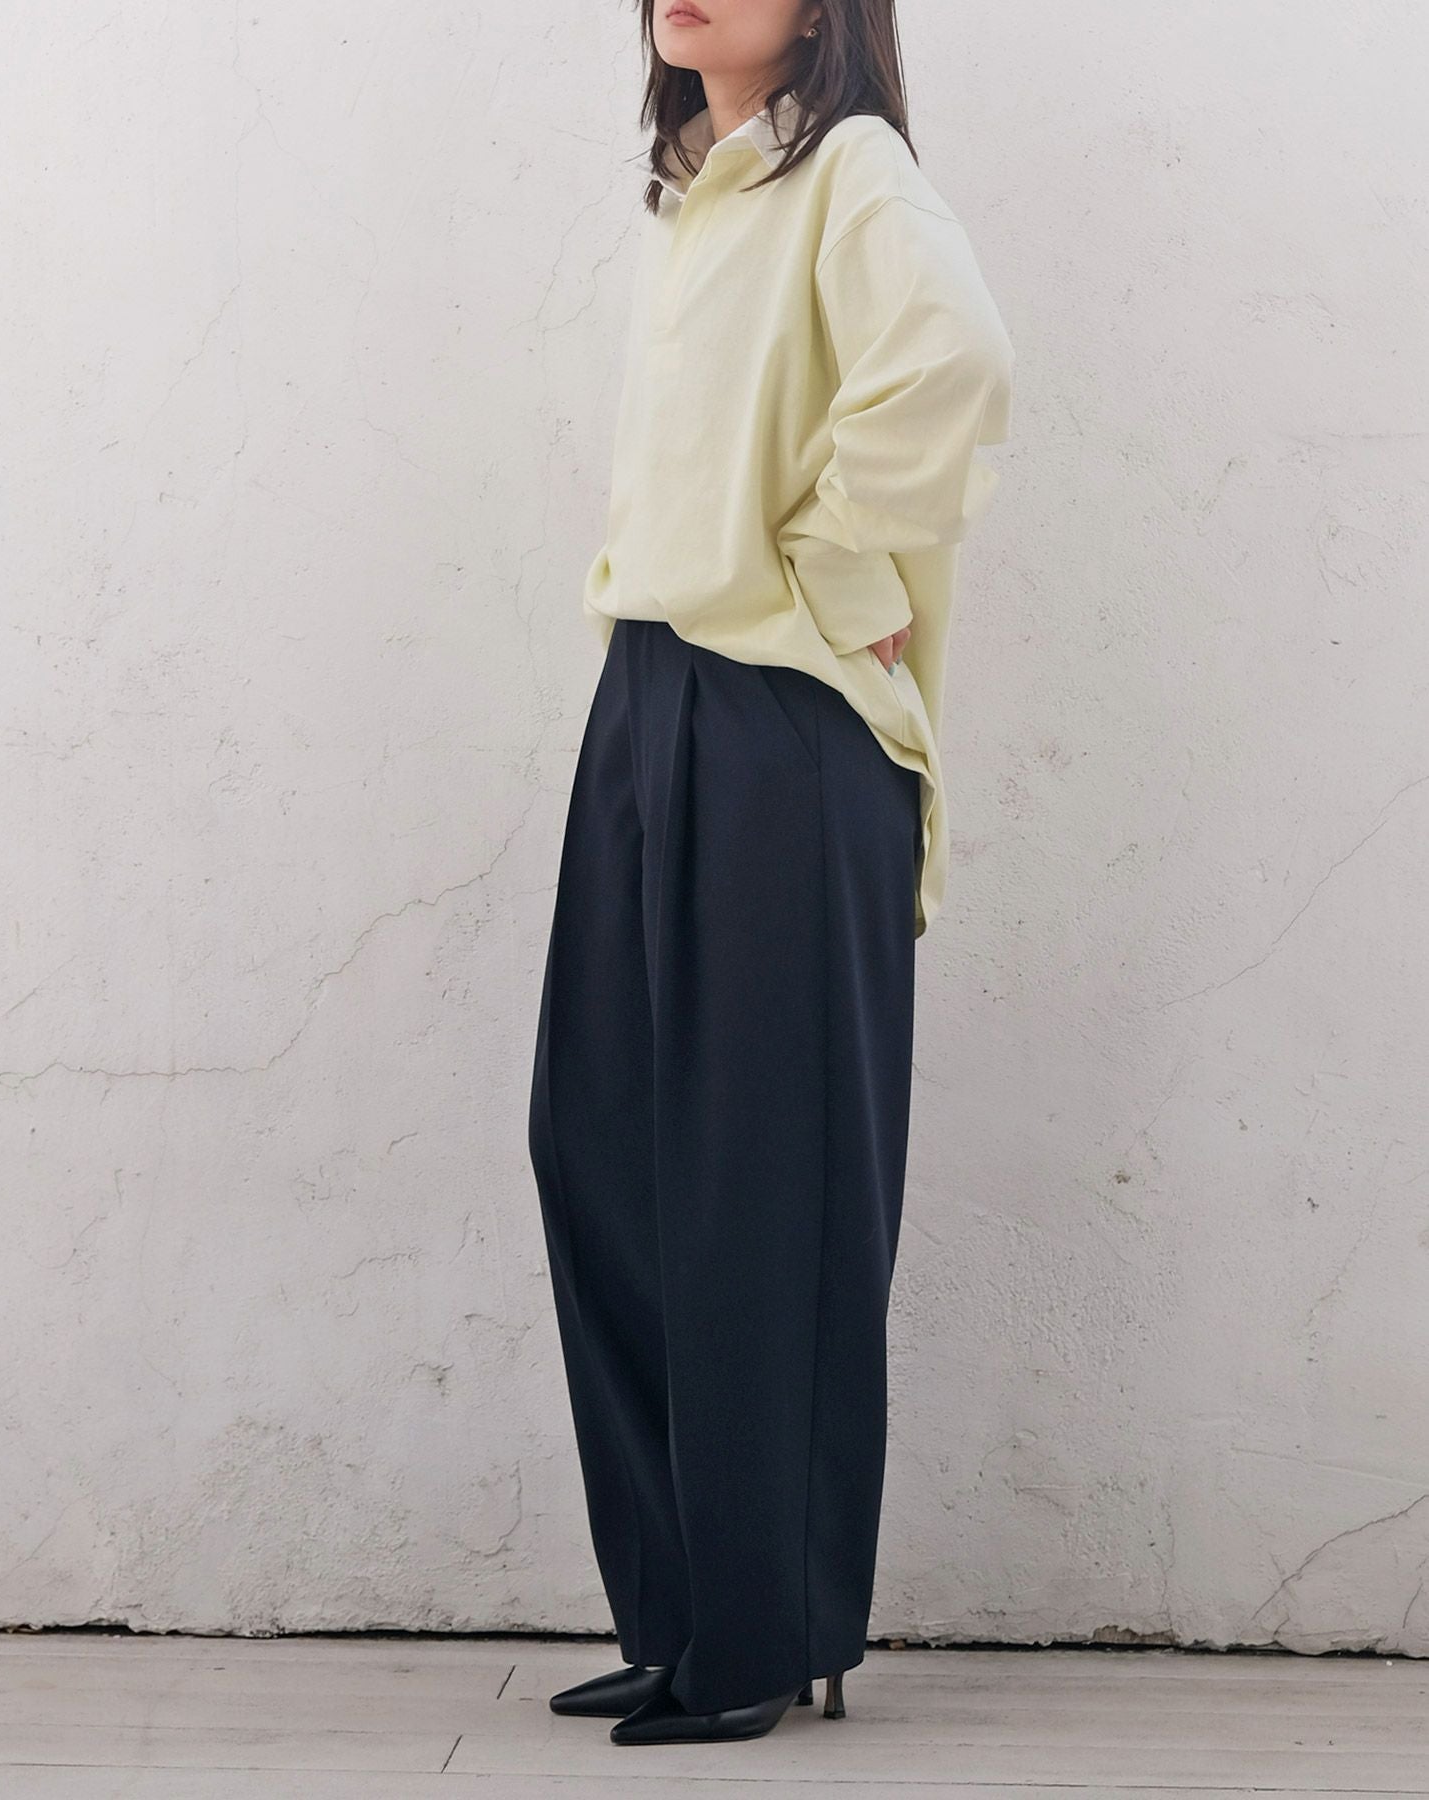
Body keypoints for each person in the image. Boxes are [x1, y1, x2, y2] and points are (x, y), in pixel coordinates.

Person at [527, 0, 1015, 1747]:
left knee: (761, 1176)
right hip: (650, 686)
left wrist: (827, 565)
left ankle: (762, 1630)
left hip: (784, 715)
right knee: (600, 1144)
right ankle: (682, 1612)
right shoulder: (703, 190)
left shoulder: (853, 173)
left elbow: (957, 363)